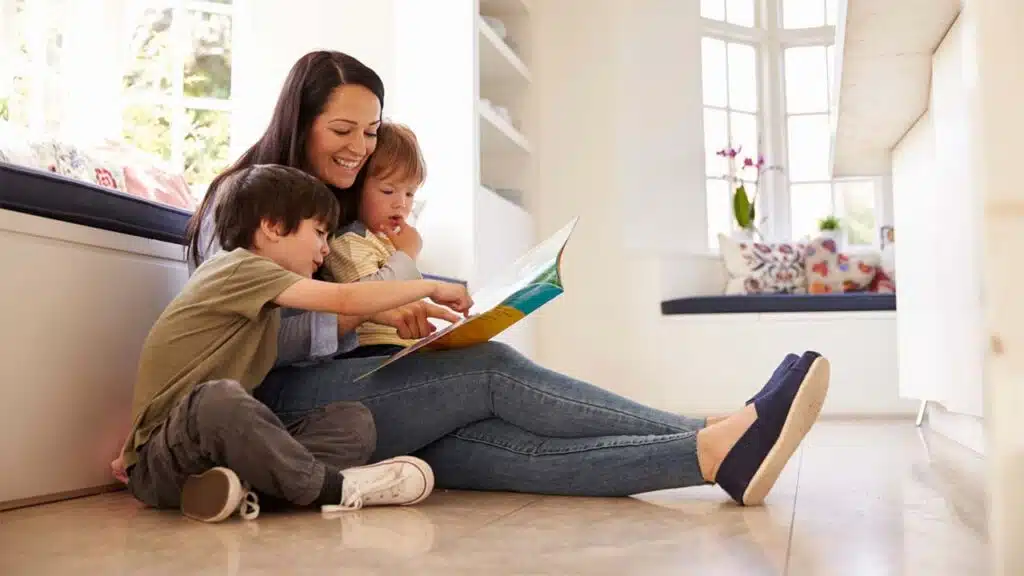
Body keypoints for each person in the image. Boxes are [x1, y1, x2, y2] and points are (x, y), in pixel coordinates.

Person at [185, 50, 831, 507]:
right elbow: (256, 344)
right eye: (342, 130)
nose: (359, 146)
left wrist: (405, 314)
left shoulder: (336, 209)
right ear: (299, 122)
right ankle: (714, 428)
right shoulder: (244, 202)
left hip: (342, 397)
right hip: (270, 408)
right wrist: (372, 308)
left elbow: (352, 305)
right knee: (491, 370)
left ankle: (711, 453)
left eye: (371, 131)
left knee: (499, 449)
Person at [115, 164, 474, 523]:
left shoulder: (260, 304)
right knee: (217, 399)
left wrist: (384, 313)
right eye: (319, 233)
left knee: (352, 421)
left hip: (220, 459)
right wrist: (430, 286)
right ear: (272, 226)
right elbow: (345, 299)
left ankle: (242, 490)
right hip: (163, 461)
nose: (325, 249)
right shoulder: (238, 268)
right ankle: (336, 489)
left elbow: (333, 315)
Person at [321, 121, 427, 358]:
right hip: (367, 351)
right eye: (388, 191)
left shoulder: (387, 243)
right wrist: (407, 254)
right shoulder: (349, 240)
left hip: (398, 346)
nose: (401, 203)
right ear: (356, 189)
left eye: (410, 193)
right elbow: (368, 296)